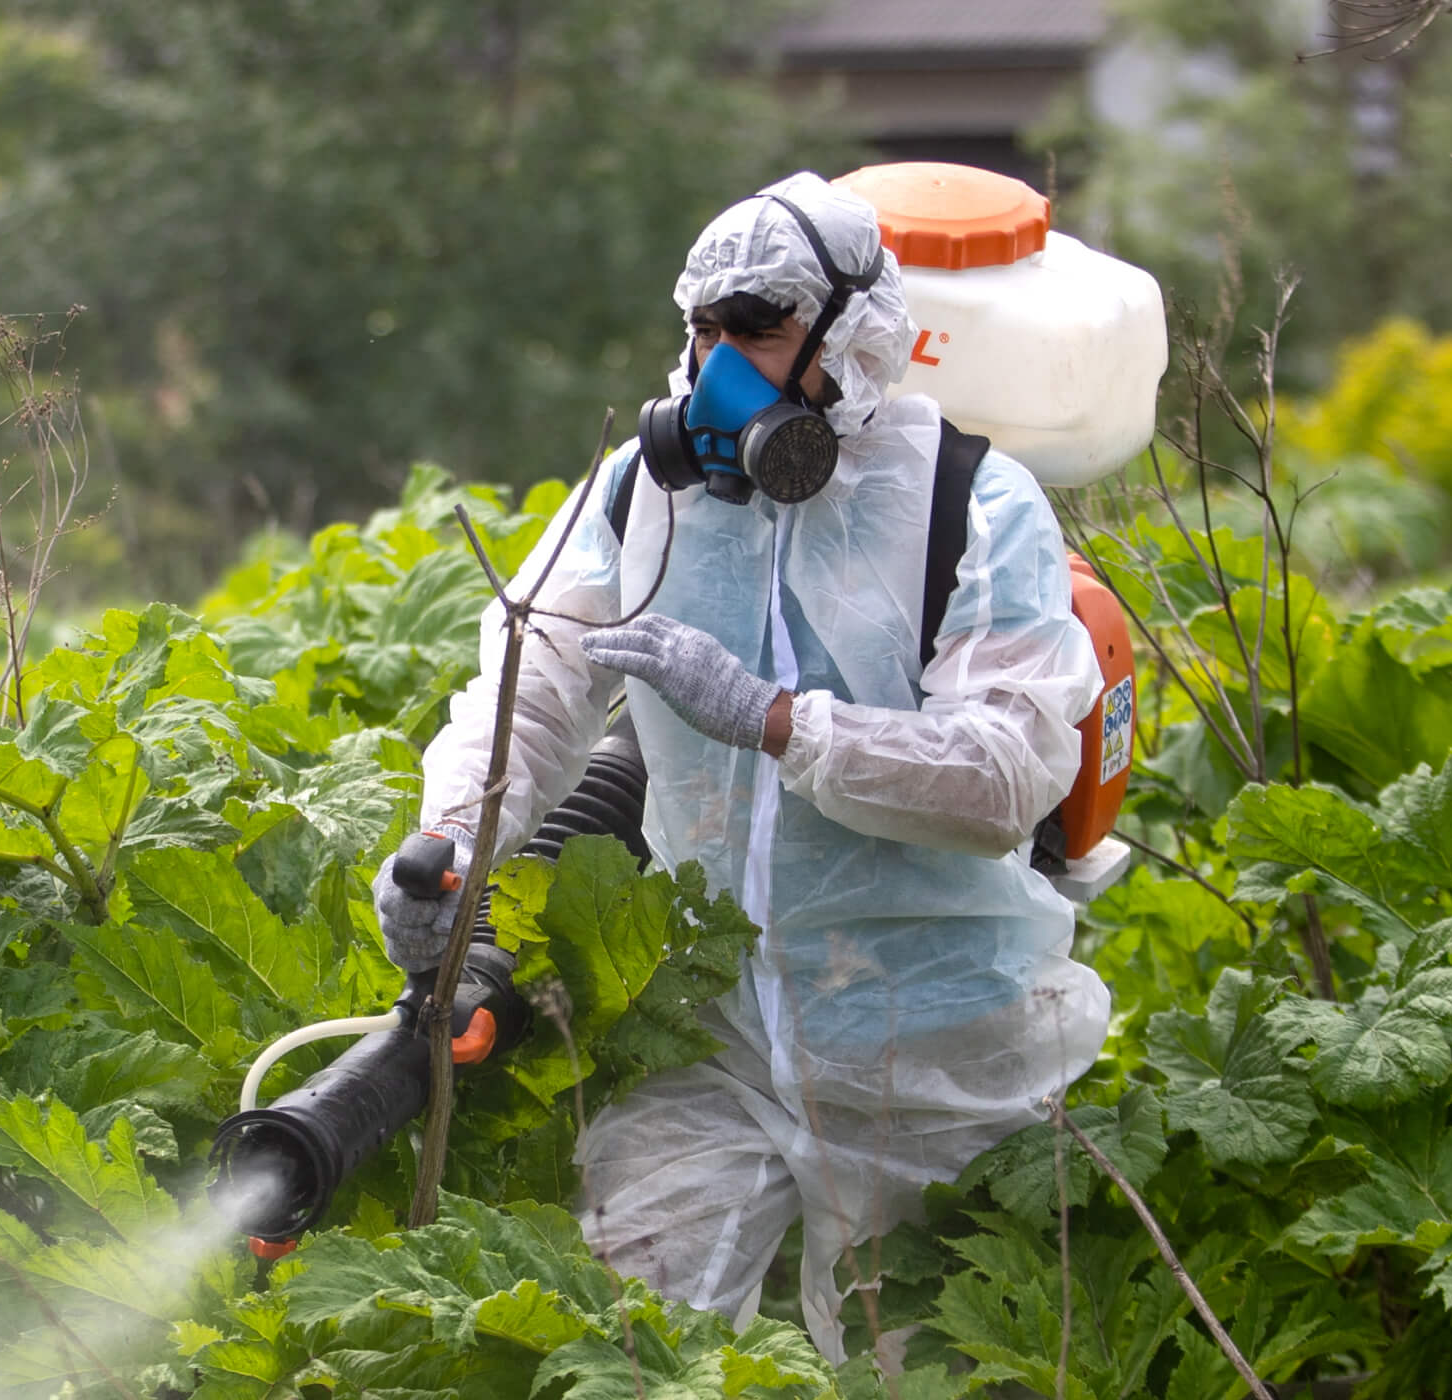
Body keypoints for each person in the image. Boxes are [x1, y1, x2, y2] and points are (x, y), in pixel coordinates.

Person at [374, 170, 1108, 1362]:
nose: (717, 365)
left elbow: (1006, 774)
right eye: (701, 330)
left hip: (933, 1048)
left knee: (920, 1371)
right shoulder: (637, 495)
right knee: (636, 1356)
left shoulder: (975, 508)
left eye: (755, 330)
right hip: (707, 1032)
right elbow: (531, 692)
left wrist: (777, 721)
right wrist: (447, 851)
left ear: (853, 336)